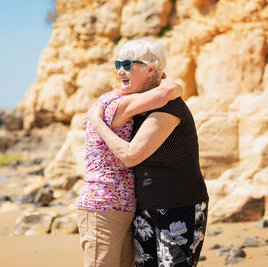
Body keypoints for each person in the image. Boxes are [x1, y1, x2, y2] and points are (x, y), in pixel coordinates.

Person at [87, 41, 209, 266]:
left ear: (151, 69)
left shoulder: (168, 105)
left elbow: (130, 155)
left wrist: (97, 122)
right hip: (144, 206)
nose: (120, 70)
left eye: (127, 64)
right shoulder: (138, 104)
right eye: (117, 64)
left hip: (178, 203)